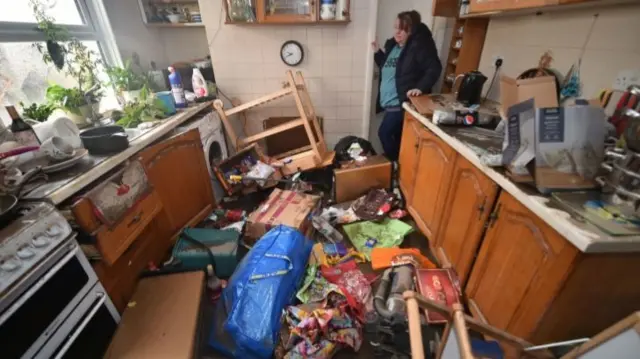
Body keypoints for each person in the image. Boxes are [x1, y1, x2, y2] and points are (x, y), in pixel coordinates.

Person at [373, 10, 442, 161]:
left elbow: (434, 68)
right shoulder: (394, 46)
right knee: (398, 138)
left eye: (402, 29)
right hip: (389, 104)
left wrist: (420, 87)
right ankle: (400, 167)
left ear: (412, 29)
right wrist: (378, 52)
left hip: (402, 104)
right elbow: (389, 68)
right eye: (396, 27)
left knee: (384, 133)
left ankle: (397, 164)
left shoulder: (417, 47)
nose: (397, 32)